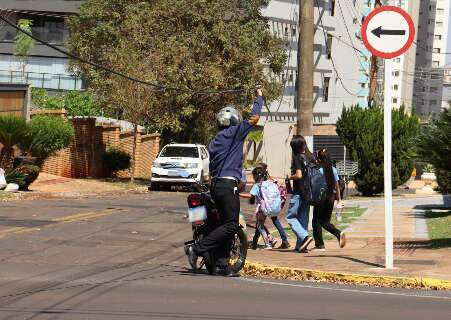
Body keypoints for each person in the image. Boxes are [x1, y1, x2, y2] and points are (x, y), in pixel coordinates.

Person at [187, 88, 264, 276]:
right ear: (234, 121)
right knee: (231, 225)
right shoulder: (235, 133)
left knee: (224, 225)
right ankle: (197, 249)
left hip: (215, 186)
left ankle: (223, 264)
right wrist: (259, 97)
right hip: (228, 185)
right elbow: (254, 118)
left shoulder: (215, 141)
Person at [311, 149, 346, 251]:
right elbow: (337, 185)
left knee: (318, 221)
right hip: (331, 198)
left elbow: (316, 186)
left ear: (320, 159)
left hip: (321, 198)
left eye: (317, 158)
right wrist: (339, 199)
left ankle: (323, 243)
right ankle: (323, 242)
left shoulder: (319, 171)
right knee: (324, 220)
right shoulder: (333, 169)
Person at [252, 163, 290, 249]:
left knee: (259, 224)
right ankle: (284, 240)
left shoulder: (259, 184)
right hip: (273, 205)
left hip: (264, 207)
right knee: (272, 222)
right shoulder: (269, 180)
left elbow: (254, 195)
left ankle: (258, 242)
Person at [286, 135, 314, 252]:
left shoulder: (297, 157)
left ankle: (305, 237)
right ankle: (301, 245)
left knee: (291, 217)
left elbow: (299, 175)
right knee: (303, 219)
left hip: (298, 192)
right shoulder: (309, 157)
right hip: (308, 193)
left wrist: (289, 177)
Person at [241, 167, 274, 250]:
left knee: (260, 226)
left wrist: (238, 194)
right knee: (261, 225)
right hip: (268, 206)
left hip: (260, 208)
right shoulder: (267, 183)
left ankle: (268, 244)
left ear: (255, 176)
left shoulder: (257, 185)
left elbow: (250, 195)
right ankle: (271, 238)